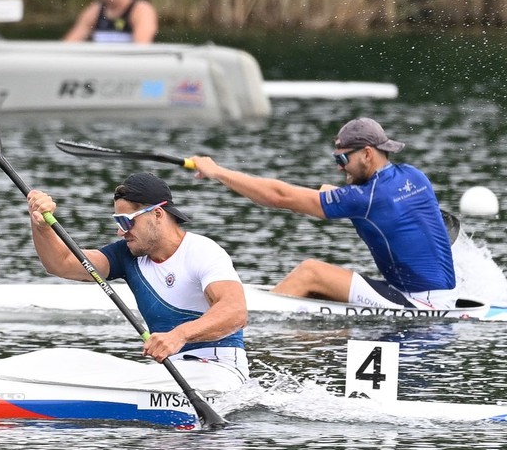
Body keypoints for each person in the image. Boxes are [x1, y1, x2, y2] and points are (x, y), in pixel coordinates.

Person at [190, 117, 457, 309]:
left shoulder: (366, 199)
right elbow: (386, 209)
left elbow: (279, 196)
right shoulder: (414, 176)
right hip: (442, 295)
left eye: (343, 159)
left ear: (366, 153)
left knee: (310, 272)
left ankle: (243, 324)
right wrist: (335, 197)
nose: (340, 168)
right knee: (316, 291)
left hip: (418, 303)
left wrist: (218, 172)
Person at [26, 172, 249, 389]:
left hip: (220, 370)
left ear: (158, 214)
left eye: (126, 221)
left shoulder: (202, 251)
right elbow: (62, 263)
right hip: (172, 371)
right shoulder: (127, 255)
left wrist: (179, 335)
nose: (120, 232)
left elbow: (235, 312)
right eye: (118, 222)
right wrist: (42, 226)